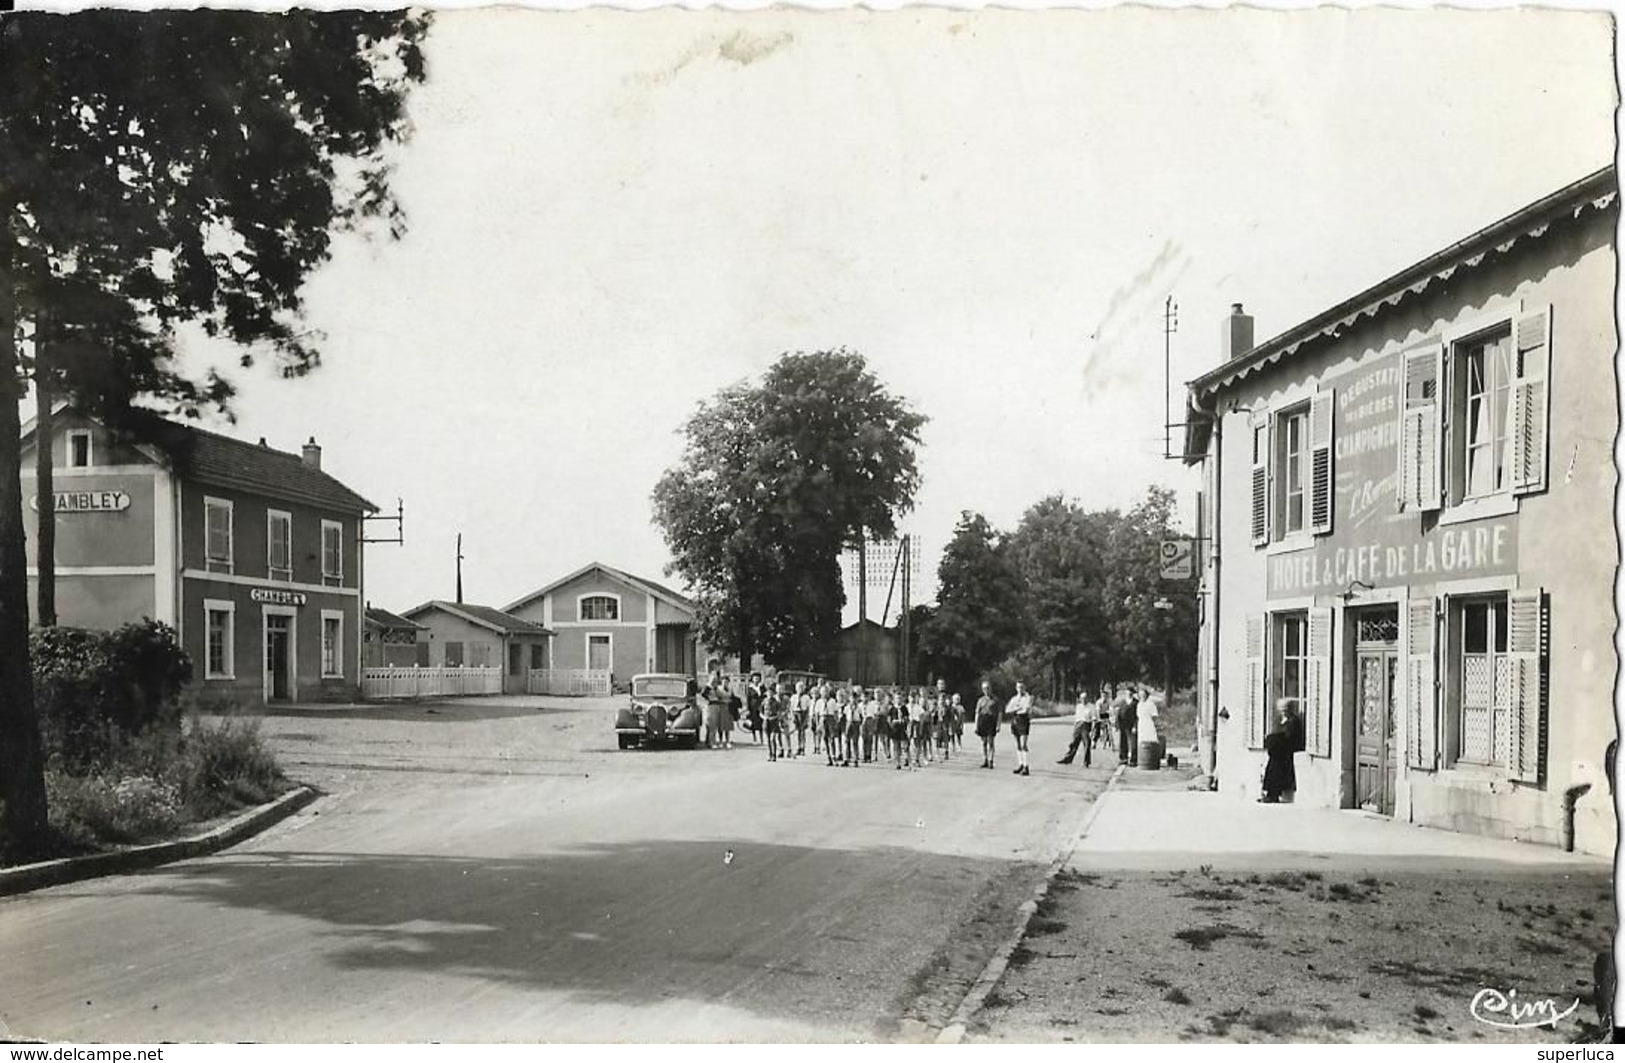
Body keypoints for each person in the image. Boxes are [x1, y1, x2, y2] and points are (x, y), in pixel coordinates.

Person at [1260, 698, 1305, 802]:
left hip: (1286, 750)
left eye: (1285, 710)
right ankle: (1270, 793)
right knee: (1271, 766)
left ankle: (1274, 793)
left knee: (1276, 767)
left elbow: (1290, 737)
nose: (1283, 712)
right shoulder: (1280, 720)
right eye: (1282, 710)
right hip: (1278, 750)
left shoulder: (1293, 721)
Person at [1058, 688, 1099, 767]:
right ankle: (1068, 759)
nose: (1084, 700)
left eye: (1085, 698)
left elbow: (1094, 718)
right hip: (1078, 725)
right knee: (1073, 743)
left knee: (1087, 743)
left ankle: (1086, 762)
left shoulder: (1091, 706)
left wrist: (1093, 729)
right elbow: (1077, 717)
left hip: (1086, 724)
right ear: (1080, 699)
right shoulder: (1079, 706)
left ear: (1088, 699)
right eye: (1082, 698)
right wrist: (1075, 726)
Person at [1007, 681, 1034, 776]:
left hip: (1023, 720)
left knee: (1023, 744)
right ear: (1016, 688)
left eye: (1022, 687)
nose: (1020, 689)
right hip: (1015, 720)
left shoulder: (1028, 698)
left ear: (1025, 688)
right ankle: (1021, 764)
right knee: (1017, 744)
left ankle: (1026, 766)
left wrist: (1015, 708)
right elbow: (1007, 709)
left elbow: (1026, 709)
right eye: (1018, 687)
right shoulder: (1014, 698)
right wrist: (1016, 708)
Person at [975, 680, 1000, 769]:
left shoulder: (995, 700)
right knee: (984, 742)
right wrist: (976, 725)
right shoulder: (980, 700)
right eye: (984, 688)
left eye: (988, 688)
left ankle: (991, 760)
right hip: (982, 720)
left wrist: (998, 725)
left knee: (991, 742)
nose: (986, 690)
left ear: (991, 689)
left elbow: (999, 713)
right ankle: (985, 759)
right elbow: (977, 712)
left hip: (991, 720)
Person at [1113, 684, 1137, 766]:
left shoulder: (1135, 702)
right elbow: (1118, 713)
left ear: (1133, 693)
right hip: (1123, 724)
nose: (1129, 693)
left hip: (1132, 724)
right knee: (1123, 742)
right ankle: (1123, 758)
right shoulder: (1122, 702)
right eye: (1128, 692)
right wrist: (1116, 724)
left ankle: (1133, 760)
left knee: (1133, 742)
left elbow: (1137, 715)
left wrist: (1135, 726)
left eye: (1131, 692)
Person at [763, 683, 786, 762]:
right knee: (768, 739)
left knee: (773, 738)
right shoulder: (764, 701)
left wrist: (776, 717)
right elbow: (760, 711)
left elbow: (779, 713)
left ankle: (774, 755)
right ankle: (769, 754)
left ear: (773, 694)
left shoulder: (776, 702)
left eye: (771, 693)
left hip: (774, 722)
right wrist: (764, 717)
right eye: (768, 693)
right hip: (766, 721)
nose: (769, 694)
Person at [792, 680, 811, 757]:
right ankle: (798, 747)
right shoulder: (793, 697)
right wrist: (792, 716)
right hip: (796, 713)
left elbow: (808, 708)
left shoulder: (806, 697)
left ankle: (802, 747)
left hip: (803, 713)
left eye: (801, 688)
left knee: (802, 731)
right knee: (797, 732)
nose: (800, 689)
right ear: (796, 689)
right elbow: (791, 707)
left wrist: (806, 718)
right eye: (798, 688)